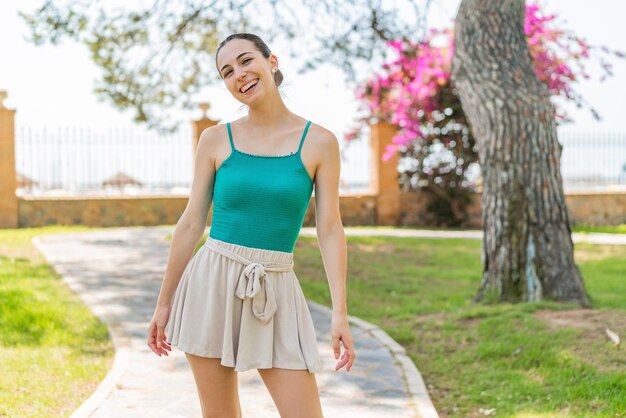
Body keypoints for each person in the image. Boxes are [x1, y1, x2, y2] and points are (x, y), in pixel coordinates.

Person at [147, 32, 355, 418]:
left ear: (271, 62)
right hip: (211, 282)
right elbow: (192, 223)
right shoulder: (214, 140)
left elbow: (329, 229)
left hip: (275, 287)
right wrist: (164, 303)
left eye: (245, 61)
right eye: (227, 71)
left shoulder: (319, 142)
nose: (239, 74)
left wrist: (340, 312)